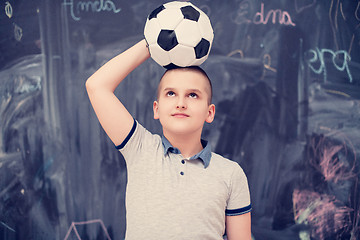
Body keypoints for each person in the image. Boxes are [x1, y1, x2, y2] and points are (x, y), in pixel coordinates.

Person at [86, 39, 252, 240]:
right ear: (156, 109)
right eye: (171, 93)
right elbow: (97, 86)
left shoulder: (231, 174)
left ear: (210, 113)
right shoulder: (140, 148)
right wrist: (152, 44)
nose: (181, 103)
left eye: (192, 95)